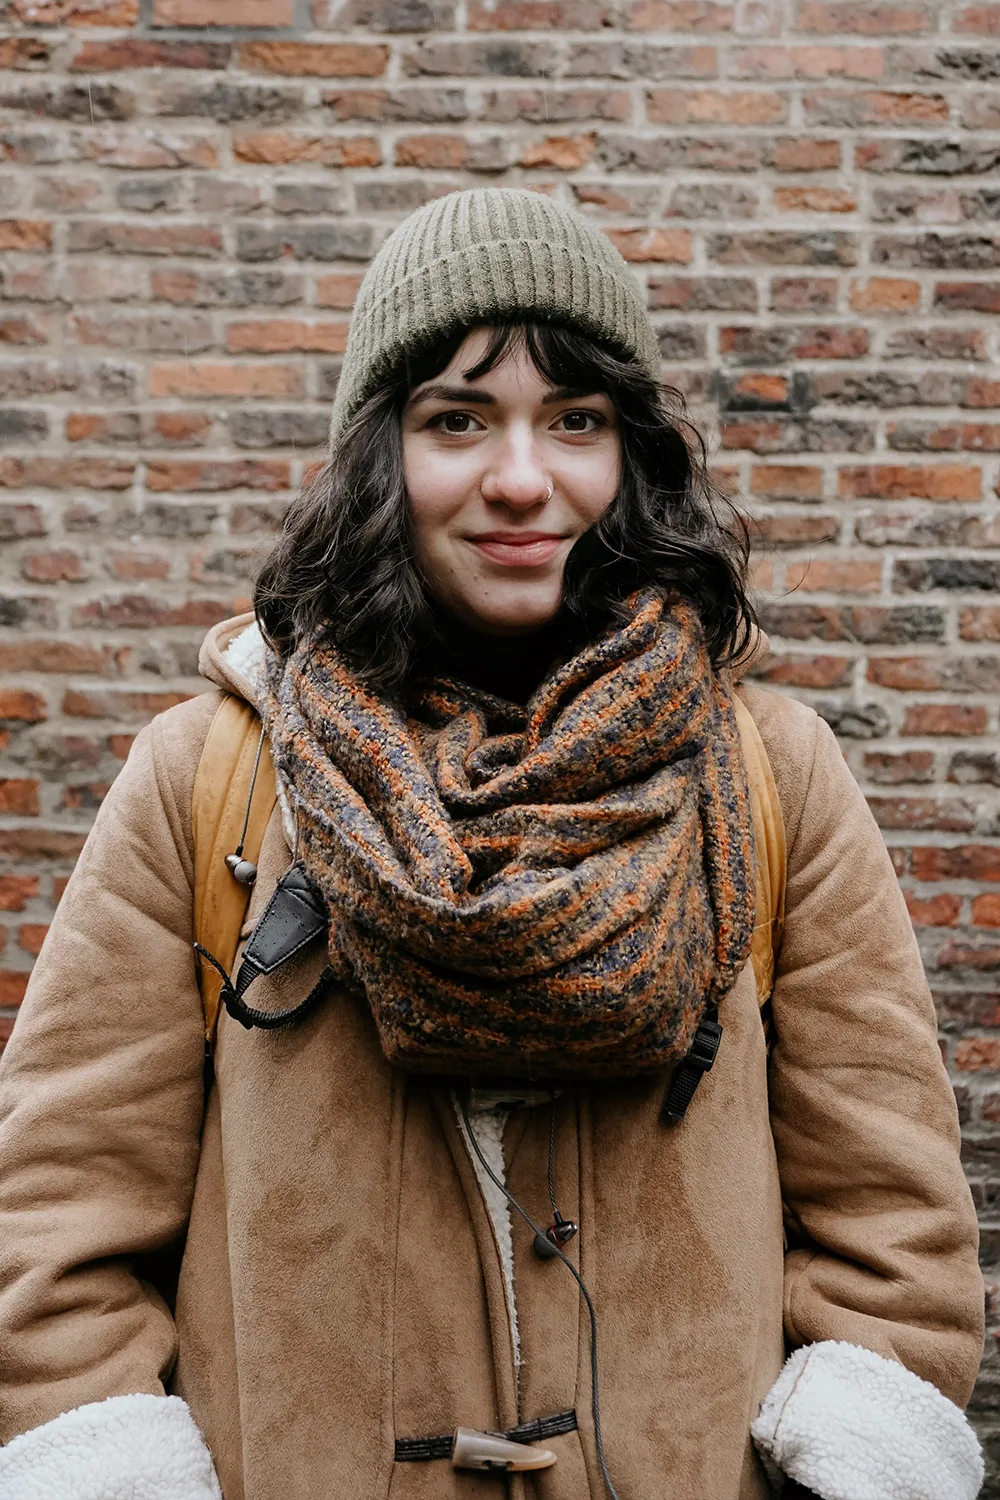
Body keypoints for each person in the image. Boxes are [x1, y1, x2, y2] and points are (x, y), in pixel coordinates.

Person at [0, 187, 985, 1500]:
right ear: (380, 455)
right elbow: (52, 1226)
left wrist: (849, 1461)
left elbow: (893, 1218)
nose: (522, 479)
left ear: (629, 455)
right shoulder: (213, 777)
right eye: (457, 421)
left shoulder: (766, 773)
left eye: (574, 421)